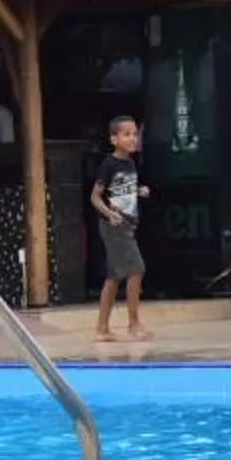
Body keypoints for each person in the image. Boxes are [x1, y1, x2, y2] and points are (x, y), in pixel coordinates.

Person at [91, 114, 149, 343]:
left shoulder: (131, 164)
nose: (132, 138)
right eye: (126, 134)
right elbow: (95, 197)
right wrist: (109, 214)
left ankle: (102, 328)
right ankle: (133, 324)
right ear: (114, 139)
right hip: (114, 226)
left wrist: (139, 191)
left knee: (114, 277)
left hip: (128, 225)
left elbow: (123, 191)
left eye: (135, 134)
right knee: (137, 269)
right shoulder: (109, 164)